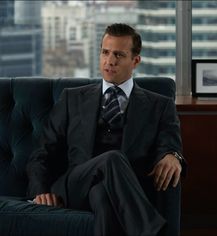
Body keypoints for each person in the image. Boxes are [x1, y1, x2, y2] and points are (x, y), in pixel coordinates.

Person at [27, 23, 185, 236]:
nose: (110, 61)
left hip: (122, 191)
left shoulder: (160, 105)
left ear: (135, 61)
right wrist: (40, 192)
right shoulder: (71, 99)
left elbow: (170, 145)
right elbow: (41, 153)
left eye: (119, 55)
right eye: (105, 52)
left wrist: (173, 156)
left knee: (102, 197)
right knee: (112, 158)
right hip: (75, 184)